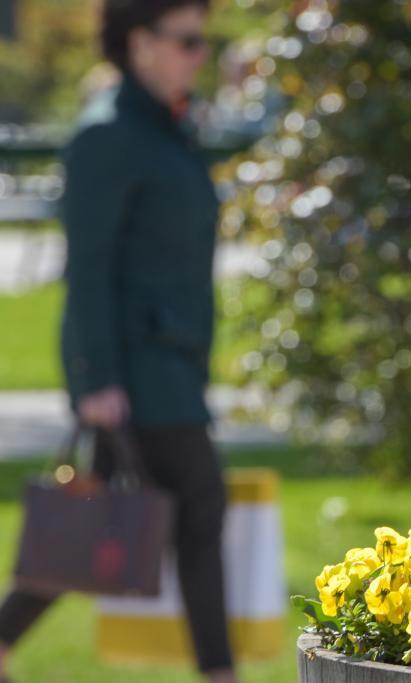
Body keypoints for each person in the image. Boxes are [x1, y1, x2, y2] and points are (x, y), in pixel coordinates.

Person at [0, 1, 237, 681]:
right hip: (139, 368)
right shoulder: (108, 134)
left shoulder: (165, 128)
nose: (201, 54)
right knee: (198, 503)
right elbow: (90, 269)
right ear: (140, 43)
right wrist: (94, 378)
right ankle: (219, 673)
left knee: (95, 520)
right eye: (188, 40)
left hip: (171, 361)